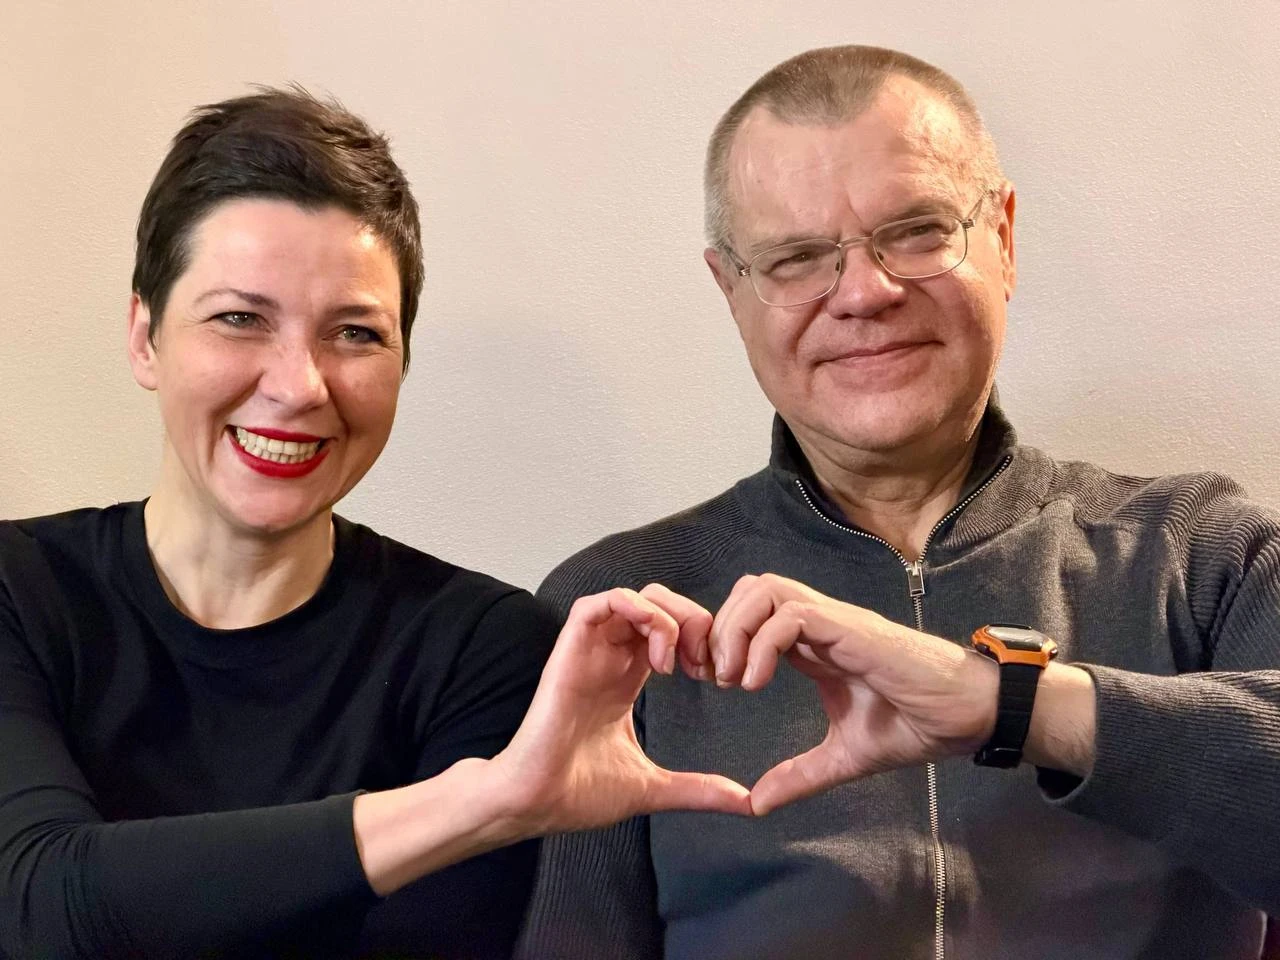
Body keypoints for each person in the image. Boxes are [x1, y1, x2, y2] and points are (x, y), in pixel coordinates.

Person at [516, 45, 1280, 960]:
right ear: (731, 291)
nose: (866, 293)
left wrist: (1011, 705)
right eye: (798, 258)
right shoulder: (620, 613)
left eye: (917, 231)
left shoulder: (1203, 556)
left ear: (1004, 239)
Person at [0, 88, 751, 960]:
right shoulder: (20, 590)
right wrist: (482, 802)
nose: (299, 385)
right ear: (144, 336)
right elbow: (35, 904)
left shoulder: (485, 649)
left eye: (354, 333)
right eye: (240, 318)